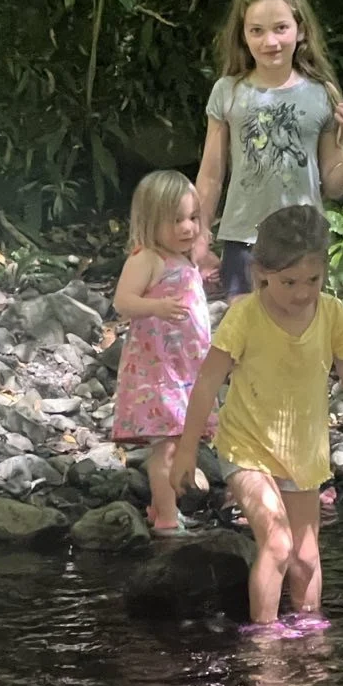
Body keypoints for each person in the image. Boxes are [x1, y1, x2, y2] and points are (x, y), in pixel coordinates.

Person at [172, 205, 343, 628]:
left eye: (313, 280)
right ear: (260, 273)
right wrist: (186, 452)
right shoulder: (246, 317)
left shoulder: (331, 316)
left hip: (303, 455)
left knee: (306, 556)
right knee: (276, 542)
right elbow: (206, 384)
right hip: (246, 447)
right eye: (289, 282)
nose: (302, 292)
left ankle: (308, 632)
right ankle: (265, 640)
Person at [194, 0, 343, 297]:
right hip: (243, 240)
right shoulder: (228, 92)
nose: (270, 41)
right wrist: (199, 234)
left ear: (300, 30)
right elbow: (211, 174)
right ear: (243, 36)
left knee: (297, 340)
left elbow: (332, 184)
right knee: (246, 340)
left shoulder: (322, 93)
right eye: (257, 31)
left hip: (302, 243)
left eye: (280, 28)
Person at [111, 170, 215, 535]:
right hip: (159, 374)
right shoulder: (147, 258)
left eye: (193, 218)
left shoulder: (183, 260)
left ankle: (159, 506)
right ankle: (169, 519)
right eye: (176, 220)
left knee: (182, 441)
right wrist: (156, 308)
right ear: (151, 221)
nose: (188, 228)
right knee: (168, 446)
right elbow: (122, 301)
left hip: (184, 370)